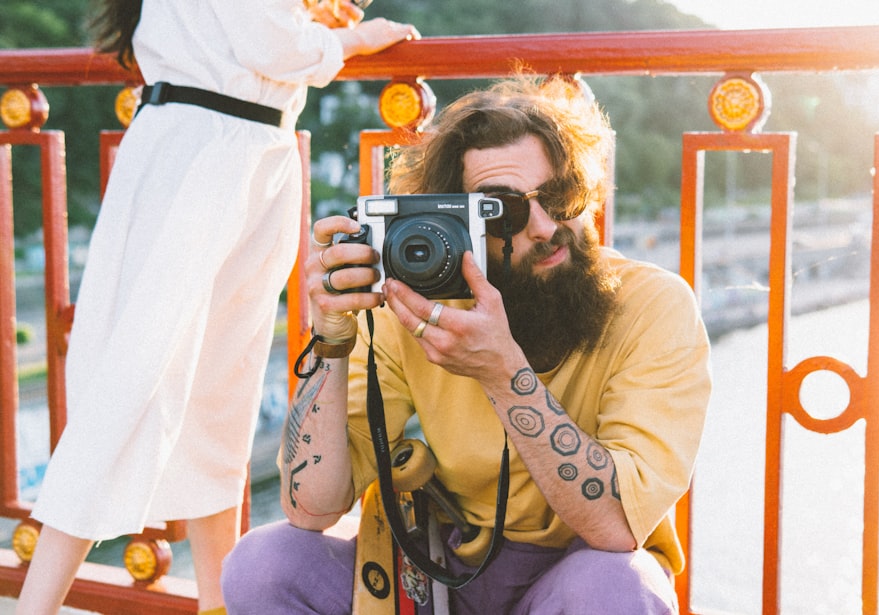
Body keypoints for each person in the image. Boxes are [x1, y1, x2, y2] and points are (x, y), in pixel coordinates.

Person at [220, 75, 712, 614]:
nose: (547, 226)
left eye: (561, 193)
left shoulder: (653, 305)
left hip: (578, 568)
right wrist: (331, 340)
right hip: (436, 568)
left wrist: (502, 373)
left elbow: (617, 527)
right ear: (453, 222)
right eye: (505, 211)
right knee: (263, 565)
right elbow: (310, 508)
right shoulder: (412, 309)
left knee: (618, 588)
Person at [15, 2, 419, 614]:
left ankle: (217, 602)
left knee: (219, 392)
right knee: (132, 382)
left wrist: (313, 19)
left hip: (237, 152)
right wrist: (359, 36)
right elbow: (273, 45)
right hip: (206, 155)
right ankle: (34, 607)